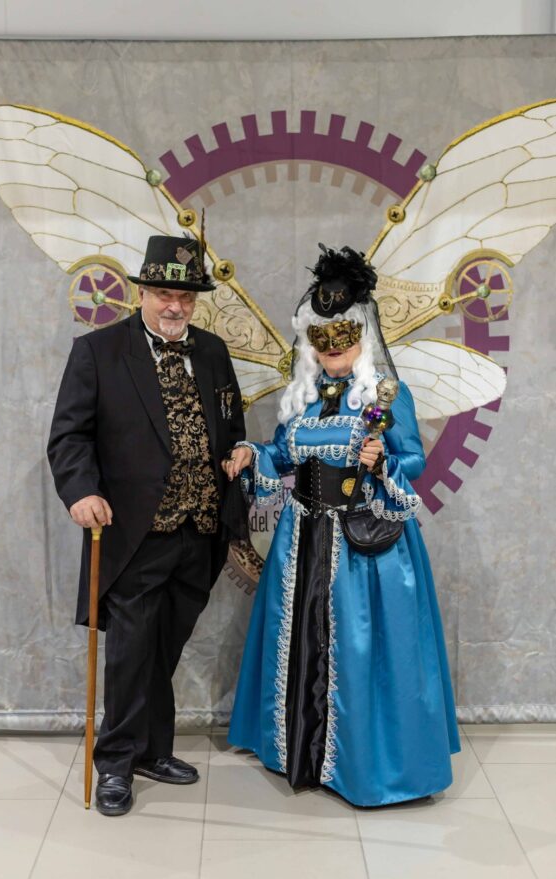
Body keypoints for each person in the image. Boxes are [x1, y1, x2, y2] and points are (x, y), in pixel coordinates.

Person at [224, 245, 460, 807]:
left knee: (361, 648)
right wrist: (251, 453)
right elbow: (282, 455)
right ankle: (297, 750)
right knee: (299, 639)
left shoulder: (385, 397)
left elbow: (413, 462)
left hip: (363, 543)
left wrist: (382, 463)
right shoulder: (302, 402)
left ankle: (367, 766)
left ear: (363, 337)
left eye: (345, 337)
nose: (334, 349)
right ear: (310, 344)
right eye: (322, 340)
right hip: (302, 537)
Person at [48, 234, 245, 816]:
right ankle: (114, 762)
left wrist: (240, 450)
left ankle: (152, 750)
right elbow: (69, 435)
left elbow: (229, 424)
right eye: (164, 294)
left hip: (200, 530)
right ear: (141, 293)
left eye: (185, 297)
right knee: (131, 650)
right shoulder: (99, 351)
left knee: (164, 648)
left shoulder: (212, 351)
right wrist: (82, 490)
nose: (175, 306)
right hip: (135, 532)